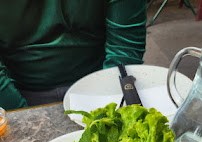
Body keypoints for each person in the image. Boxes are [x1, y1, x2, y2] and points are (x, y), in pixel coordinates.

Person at [0, 0, 147, 110]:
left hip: (102, 79)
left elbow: (125, 46)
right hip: (17, 91)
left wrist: (108, 105)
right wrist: (22, 116)